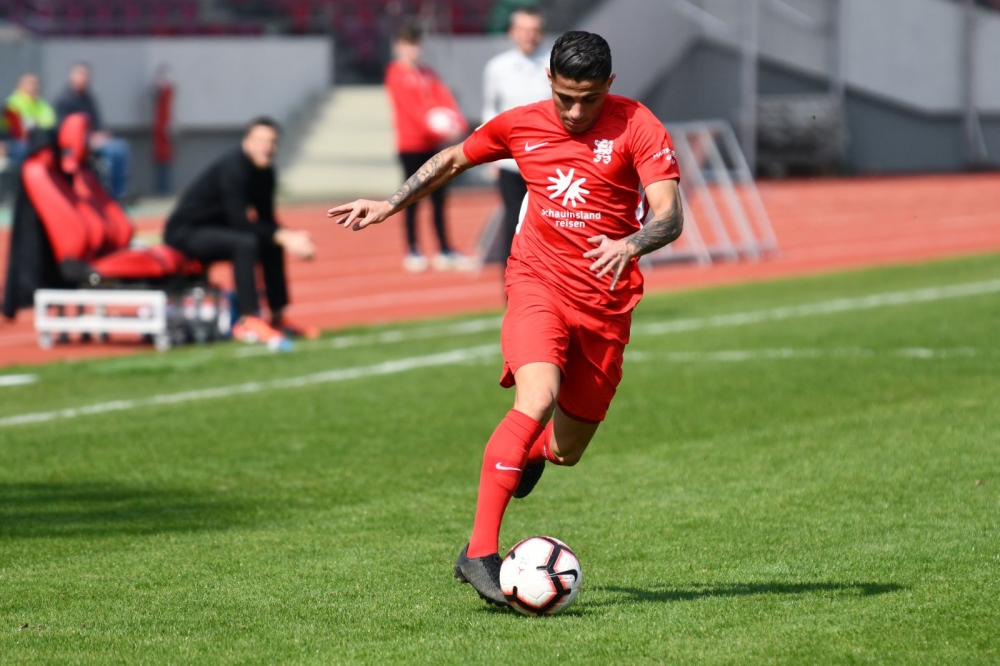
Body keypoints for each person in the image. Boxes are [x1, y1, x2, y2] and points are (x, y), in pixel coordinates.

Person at [328, 31, 683, 607]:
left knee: (566, 449)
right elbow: (453, 158)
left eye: (589, 99)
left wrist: (631, 243)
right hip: (537, 283)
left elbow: (669, 215)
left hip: (606, 305)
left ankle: (528, 454)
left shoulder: (638, 125)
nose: (575, 112)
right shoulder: (522, 124)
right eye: (565, 97)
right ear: (549, 81)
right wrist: (390, 203)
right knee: (536, 397)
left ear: (610, 86)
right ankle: (478, 553)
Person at [165, 117, 318, 346]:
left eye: (272, 142)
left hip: (218, 229)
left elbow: (267, 221)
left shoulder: (266, 173)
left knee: (272, 243)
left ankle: (278, 318)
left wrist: (291, 237)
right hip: (186, 232)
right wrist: (285, 236)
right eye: (261, 141)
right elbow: (240, 222)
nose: (267, 147)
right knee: (246, 243)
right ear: (247, 142)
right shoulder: (234, 168)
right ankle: (249, 319)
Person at [384, 23, 473, 273]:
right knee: (411, 198)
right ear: (398, 47)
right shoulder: (395, 73)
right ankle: (413, 249)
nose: (413, 50)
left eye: (415, 44)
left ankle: (444, 249)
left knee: (439, 198)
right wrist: (438, 130)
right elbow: (411, 110)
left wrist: (458, 123)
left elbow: (444, 98)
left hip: (433, 146)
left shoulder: (428, 73)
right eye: (408, 44)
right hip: (411, 146)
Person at [482, 6, 550, 266]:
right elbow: (490, 110)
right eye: (523, 30)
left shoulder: (555, 64)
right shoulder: (497, 67)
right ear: (512, 32)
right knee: (513, 222)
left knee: (550, 224)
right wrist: (490, 155)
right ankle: (512, 285)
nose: (529, 35)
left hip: (548, 161)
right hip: (511, 162)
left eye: (534, 30)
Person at [55, 62, 131, 201]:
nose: (84, 78)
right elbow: (63, 129)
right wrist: (88, 138)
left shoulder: (90, 98)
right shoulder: (63, 100)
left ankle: (119, 192)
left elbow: (98, 123)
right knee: (111, 151)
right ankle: (109, 192)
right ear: (71, 77)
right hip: (77, 145)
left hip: (94, 140)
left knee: (120, 146)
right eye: (80, 74)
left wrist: (101, 134)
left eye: (86, 75)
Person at [4, 73, 56, 166]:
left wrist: (33, 124)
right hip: (16, 141)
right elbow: (17, 128)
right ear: (21, 86)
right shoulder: (12, 103)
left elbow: (50, 123)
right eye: (30, 84)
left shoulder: (42, 103)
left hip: (38, 141)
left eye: (36, 84)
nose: (34, 87)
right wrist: (34, 123)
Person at [151, 64, 174, 196]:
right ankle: (161, 189)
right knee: (160, 158)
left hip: (164, 130)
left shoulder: (167, 92)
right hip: (160, 130)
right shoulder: (160, 93)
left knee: (165, 158)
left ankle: (164, 189)